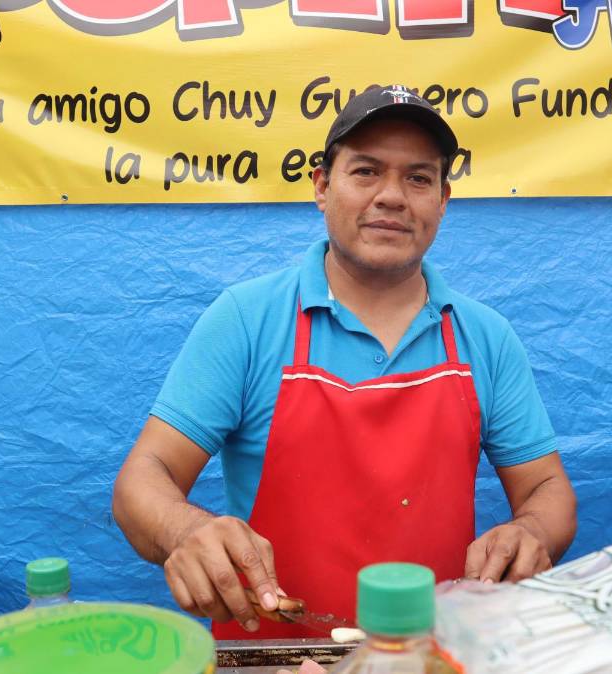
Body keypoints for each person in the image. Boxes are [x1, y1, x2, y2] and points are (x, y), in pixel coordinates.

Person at [112, 85, 576, 639]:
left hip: (433, 654)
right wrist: (184, 529)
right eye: (366, 172)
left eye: (419, 178)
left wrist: (530, 533)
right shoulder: (246, 319)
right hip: (271, 660)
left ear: (443, 200)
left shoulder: (485, 337)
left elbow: (549, 489)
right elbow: (142, 480)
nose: (392, 196)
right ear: (322, 186)